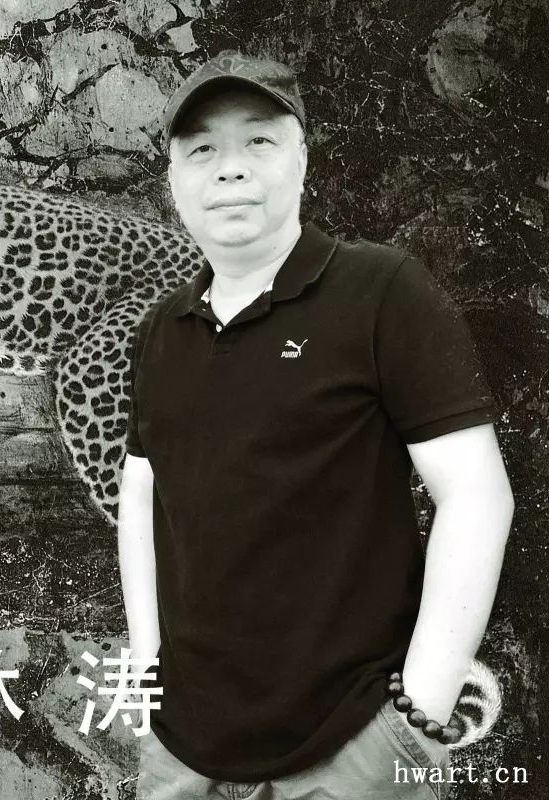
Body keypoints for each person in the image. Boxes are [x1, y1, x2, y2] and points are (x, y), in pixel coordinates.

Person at [118, 50, 515, 800]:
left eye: (258, 140)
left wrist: (419, 714)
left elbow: (476, 496)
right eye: (201, 149)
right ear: (172, 177)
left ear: (301, 158)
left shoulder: (382, 291)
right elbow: (142, 490)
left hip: (351, 750)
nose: (230, 168)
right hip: (180, 753)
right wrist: (145, 671)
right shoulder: (160, 329)